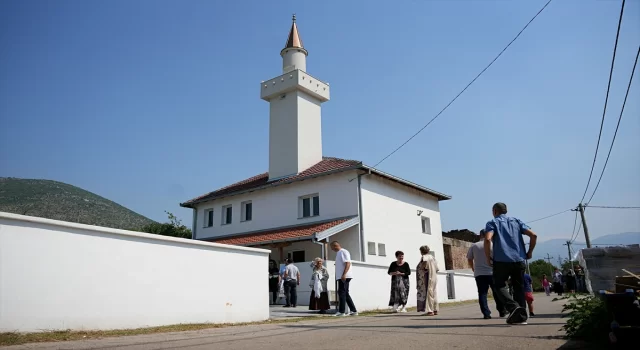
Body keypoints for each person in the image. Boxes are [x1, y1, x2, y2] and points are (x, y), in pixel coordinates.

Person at [484, 202, 537, 325]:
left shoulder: (492, 222)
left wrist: (488, 257)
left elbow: (487, 239)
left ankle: (513, 308)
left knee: (498, 285)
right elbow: (533, 235)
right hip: (518, 259)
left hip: (501, 261)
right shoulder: (517, 221)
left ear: (494, 211)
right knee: (519, 287)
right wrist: (529, 252)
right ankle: (522, 317)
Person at [467, 229, 506, 319]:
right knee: (497, 292)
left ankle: (486, 313)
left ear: (480, 235)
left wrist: (473, 268)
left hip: (479, 273)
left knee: (482, 293)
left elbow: (469, 258)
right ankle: (502, 311)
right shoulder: (494, 245)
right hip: (493, 272)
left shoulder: (474, 245)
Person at [331, 241, 358, 317]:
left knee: (342, 293)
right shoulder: (339, 253)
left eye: (332, 248)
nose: (332, 249)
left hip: (344, 276)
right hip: (342, 276)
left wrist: (344, 274)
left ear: (335, 246)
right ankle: (353, 310)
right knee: (345, 293)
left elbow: (348, 263)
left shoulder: (343, 252)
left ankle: (341, 311)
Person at [416, 245, 439, 316]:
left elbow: (424, 264)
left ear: (421, 251)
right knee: (434, 293)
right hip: (434, 276)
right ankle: (435, 309)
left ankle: (430, 311)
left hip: (428, 276)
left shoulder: (424, 257)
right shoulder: (433, 257)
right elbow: (437, 268)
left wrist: (423, 269)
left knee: (429, 293)